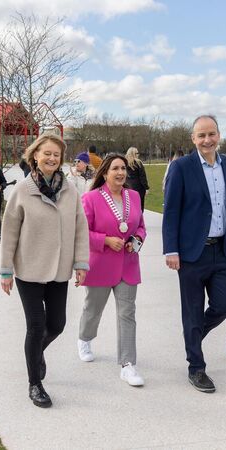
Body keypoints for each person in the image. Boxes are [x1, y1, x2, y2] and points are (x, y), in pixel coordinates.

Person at [0, 134, 90, 408]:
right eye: (46, 153)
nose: (51, 158)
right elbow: (9, 232)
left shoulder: (70, 191)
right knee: (36, 326)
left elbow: (80, 228)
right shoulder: (23, 190)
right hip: (29, 270)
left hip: (59, 270)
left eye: (56, 155)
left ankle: (36, 353)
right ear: (35, 156)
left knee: (57, 325)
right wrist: (6, 270)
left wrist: (81, 263)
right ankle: (35, 383)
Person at [162, 114, 226, 394]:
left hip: (223, 251)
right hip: (191, 254)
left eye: (211, 134)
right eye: (201, 135)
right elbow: (171, 210)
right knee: (192, 310)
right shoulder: (181, 167)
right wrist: (171, 249)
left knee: (224, 305)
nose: (207, 140)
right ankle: (196, 367)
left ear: (219, 135)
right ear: (193, 139)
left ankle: (193, 335)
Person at [78, 154, 147, 386]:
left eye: (123, 168)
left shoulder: (134, 196)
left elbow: (140, 227)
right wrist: (105, 241)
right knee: (93, 309)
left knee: (127, 314)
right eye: (115, 168)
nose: (120, 172)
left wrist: (136, 240)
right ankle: (85, 338)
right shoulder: (91, 198)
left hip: (128, 265)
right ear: (105, 173)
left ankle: (128, 365)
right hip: (101, 266)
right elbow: (81, 232)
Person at [125, 147, 149, 212]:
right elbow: (142, 177)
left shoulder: (125, 163)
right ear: (134, 154)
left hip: (127, 187)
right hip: (138, 188)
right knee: (140, 207)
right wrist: (146, 188)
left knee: (129, 206)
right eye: (137, 153)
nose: (138, 154)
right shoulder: (138, 162)